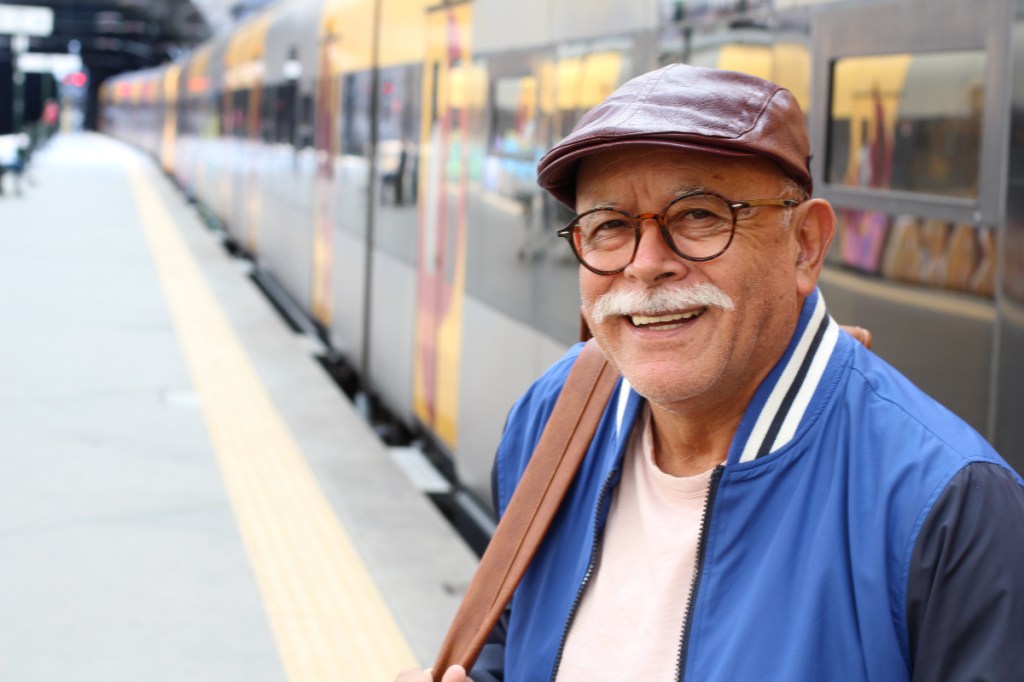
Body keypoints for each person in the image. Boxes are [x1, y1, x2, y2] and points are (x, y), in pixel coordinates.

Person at [397, 64, 1024, 682]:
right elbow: (512, 642)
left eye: (699, 215)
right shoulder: (553, 414)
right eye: (610, 225)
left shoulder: (952, 508)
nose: (645, 266)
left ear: (804, 245)